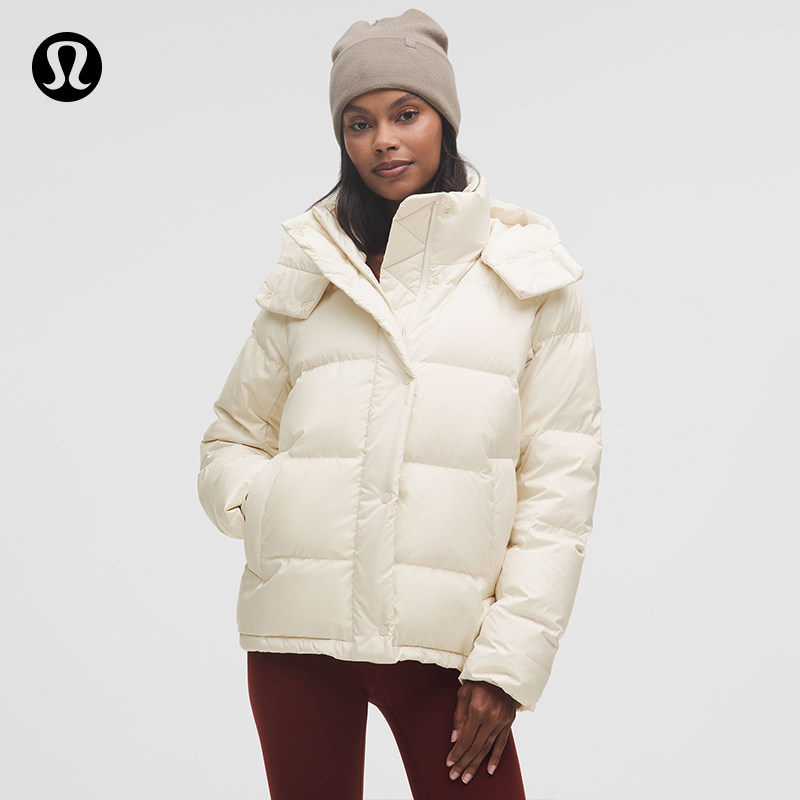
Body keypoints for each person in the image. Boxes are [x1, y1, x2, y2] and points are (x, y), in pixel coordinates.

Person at [197, 8, 603, 799]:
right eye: (360, 122)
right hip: (296, 637)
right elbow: (232, 436)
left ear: (444, 120)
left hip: (449, 653)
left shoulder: (530, 279)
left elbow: (559, 494)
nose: (383, 139)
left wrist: (508, 664)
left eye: (405, 114)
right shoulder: (314, 270)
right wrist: (270, 504)